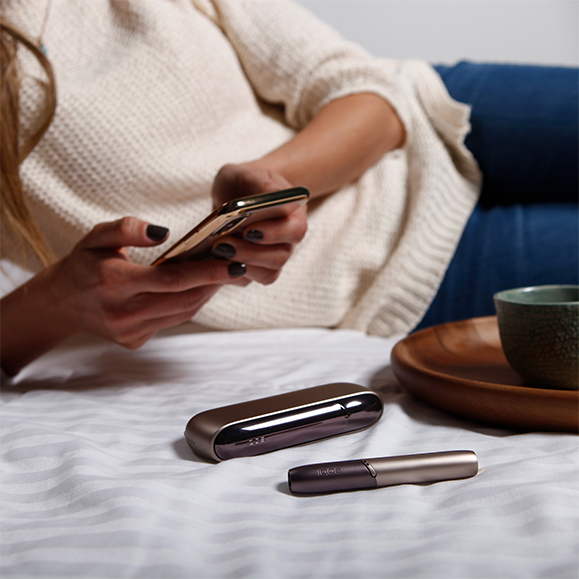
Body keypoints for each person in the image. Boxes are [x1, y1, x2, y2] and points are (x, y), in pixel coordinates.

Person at [1, 0, 576, 378]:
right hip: (395, 263)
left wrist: (274, 180)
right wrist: (57, 301)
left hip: (437, 113)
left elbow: (365, 89)